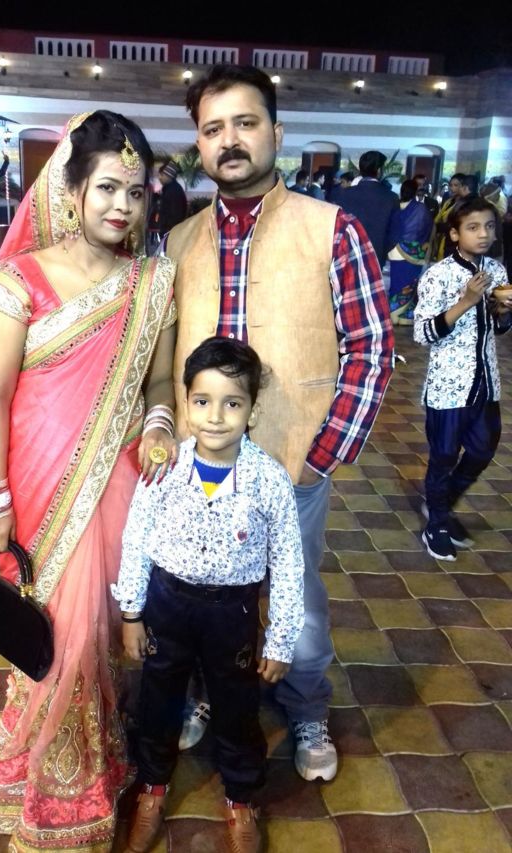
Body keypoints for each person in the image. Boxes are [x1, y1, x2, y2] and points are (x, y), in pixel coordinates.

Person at [161, 65, 394, 783]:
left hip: (295, 456)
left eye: (245, 122)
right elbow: (159, 352)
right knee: (201, 591)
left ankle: (305, 704)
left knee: (299, 597)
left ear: (276, 132)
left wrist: (322, 453)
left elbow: (372, 346)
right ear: (200, 145)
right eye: (213, 128)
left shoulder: (331, 229)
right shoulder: (179, 241)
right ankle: (207, 692)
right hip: (201, 463)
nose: (229, 140)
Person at [0, 110, 178, 852]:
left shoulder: (152, 280)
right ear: (72, 190)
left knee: (101, 633)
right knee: (55, 638)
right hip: (37, 484)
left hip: (120, 481)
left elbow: (159, 381)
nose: (123, 206)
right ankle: (48, 795)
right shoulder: (18, 278)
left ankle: (93, 779)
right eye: (107, 188)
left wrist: (160, 424)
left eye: (136, 191)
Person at [113, 337, 304, 853]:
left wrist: (281, 640)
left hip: (232, 613)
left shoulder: (268, 479)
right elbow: (137, 540)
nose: (216, 417)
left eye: (232, 403)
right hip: (167, 607)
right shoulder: (164, 468)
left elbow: (289, 563)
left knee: (237, 707)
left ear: (253, 410)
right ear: (185, 403)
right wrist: (131, 613)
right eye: (202, 401)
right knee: (158, 701)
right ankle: (152, 789)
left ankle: (241, 798)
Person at [414, 196, 511, 561]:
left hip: (486, 383)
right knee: (443, 456)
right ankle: (437, 524)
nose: (483, 234)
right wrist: (466, 301)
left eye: (489, 226)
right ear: (455, 234)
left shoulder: (496, 271)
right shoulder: (438, 275)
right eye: (473, 227)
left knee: (483, 450)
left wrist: (503, 312)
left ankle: (439, 503)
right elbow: (423, 333)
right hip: (448, 386)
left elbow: (498, 330)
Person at [338, 150, 400, 269]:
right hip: (376, 257)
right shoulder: (391, 197)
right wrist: (382, 250)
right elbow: (395, 233)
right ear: (379, 171)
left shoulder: (344, 194)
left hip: (347, 255)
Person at [388, 178, 433, 325]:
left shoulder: (394, 206)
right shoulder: (421, 209)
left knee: (396, 284)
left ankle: (392, 314)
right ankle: (404, 316)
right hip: (413, 252)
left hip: (394, 250)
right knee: (409, 283)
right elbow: (426, 228)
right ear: (414, 192)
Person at [433, 173, 471, 260]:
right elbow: (437, 219)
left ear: (463, 187)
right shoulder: (449, 201)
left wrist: (441, 226)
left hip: (453, 242)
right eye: (451, 185)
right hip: (441, 238)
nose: (452, 188)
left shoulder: (465, 204)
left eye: (456, 185)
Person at [157, 159, 187, 236]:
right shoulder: (170, 189)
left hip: (171, 232)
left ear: (168, 175)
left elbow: (175, 215)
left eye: (161, 175)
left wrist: (167, 230)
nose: (159, 177)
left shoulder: (173, 191)